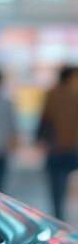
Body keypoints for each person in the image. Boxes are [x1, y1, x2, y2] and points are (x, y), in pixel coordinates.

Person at [38, 65, 78, 221]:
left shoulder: (51, 95)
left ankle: (58, 216)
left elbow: (44, 120)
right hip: (71, 147)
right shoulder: (75, 96)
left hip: (55, 147)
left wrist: (41, 139)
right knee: (66, 182)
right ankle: (62, 216)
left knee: (56, 185)